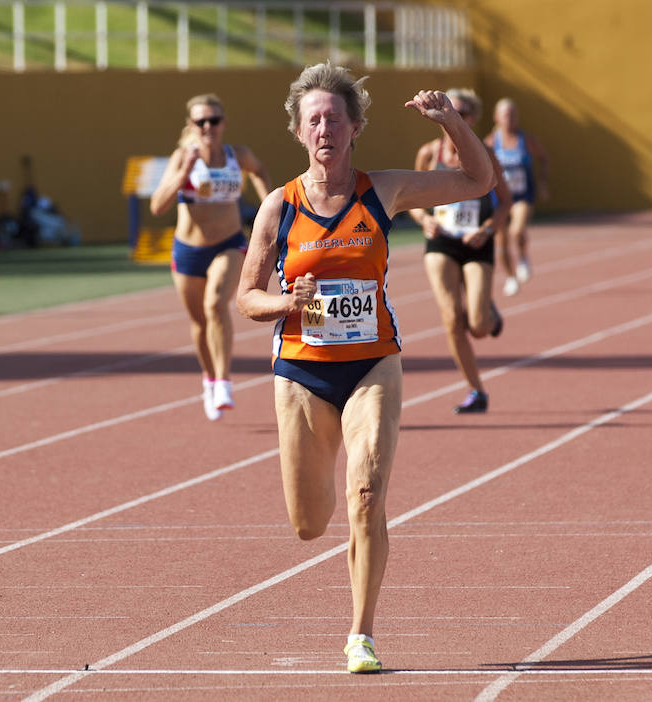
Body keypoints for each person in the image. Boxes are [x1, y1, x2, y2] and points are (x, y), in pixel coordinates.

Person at [236, 63, 496, 673]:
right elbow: (248, 298)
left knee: (367, 491)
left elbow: (478, 180)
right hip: (301, 370)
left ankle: (361, 634)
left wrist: (452, 121)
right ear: (299, 133)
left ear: (355, 127)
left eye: (335, 117)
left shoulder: (384, 191)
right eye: (314, 119)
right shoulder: (278, 208)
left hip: (373, 362)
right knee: (308, 523)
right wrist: (284, 302)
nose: (325, 128)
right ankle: (322, 497)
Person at [150, 93, 270, 420]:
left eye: (213, 120)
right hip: (188, 251)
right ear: (191, 125)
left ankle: (224, 381)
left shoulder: (237, 155)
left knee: (216, 304)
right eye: (201, 121)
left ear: (223, 124)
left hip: (229, 243)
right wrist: (183, 172)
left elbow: (259, 171)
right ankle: (209, 378)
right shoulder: (182, 158)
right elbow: (157, 205)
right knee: (199, 323)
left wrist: (268, 209)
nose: (208, 126)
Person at [409, 88, 511, 413]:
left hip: (476, 241)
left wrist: (486, 231)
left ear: (473, 117)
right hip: (441, 241)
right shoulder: (429, 153)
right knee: (452, 318)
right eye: (451, 108)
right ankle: (476, 391)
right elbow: (410, 200)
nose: (456, 115)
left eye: (463, 112)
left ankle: (488, 314)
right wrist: (423, 219)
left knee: (478, 327)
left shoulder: (485, 154)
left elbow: (505, 203)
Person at [484, 97, 549, 296]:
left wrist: (543, 183)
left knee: (516, 230)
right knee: (501, 242)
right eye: (506, 115)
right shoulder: (491, 141)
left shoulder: (525, 139)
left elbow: (543, 158)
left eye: (513, 115)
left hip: (522, 196)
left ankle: (522, 256)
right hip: (499, 198)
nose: (510, 119)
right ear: (497, 117)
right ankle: (511, 277)